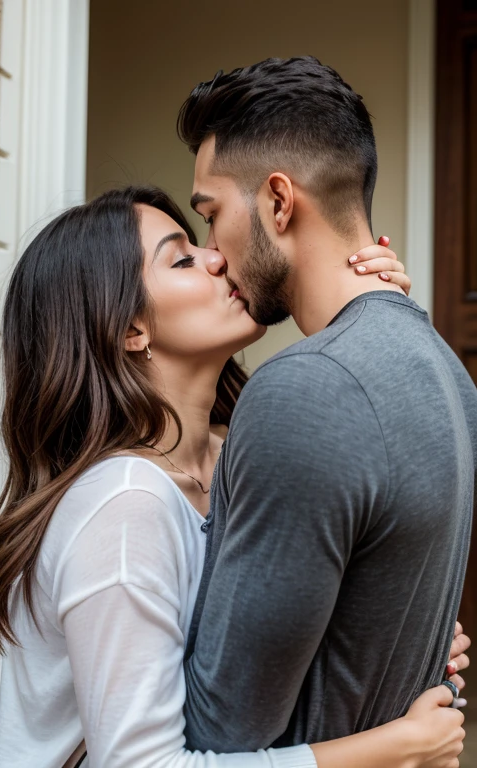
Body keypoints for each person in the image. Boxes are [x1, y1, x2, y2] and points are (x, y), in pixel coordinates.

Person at [0, 186, 467, 768]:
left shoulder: (242, 451)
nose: (217, 258)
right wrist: (392, 749)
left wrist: (372, 316)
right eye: (181, 258)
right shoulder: (123, 507)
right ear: (130, 328)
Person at [177, 57, 477, 753]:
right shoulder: (446, 370)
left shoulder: (304, 390)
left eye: (212, 214)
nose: (214, 253)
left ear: (279, 202)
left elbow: (223, 730)